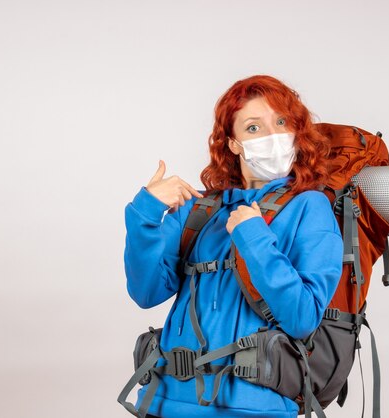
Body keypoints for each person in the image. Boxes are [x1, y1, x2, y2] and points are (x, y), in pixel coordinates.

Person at [123, 75, 344, 418]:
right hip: (162, 403)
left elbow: (302, 317)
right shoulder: (201, 208)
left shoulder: (310, 207)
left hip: (252, 409)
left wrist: (254, 236)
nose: (273, 136)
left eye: (282, 122)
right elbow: (145, 292)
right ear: (233, 144)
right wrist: (146, 213)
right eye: (253, 128)